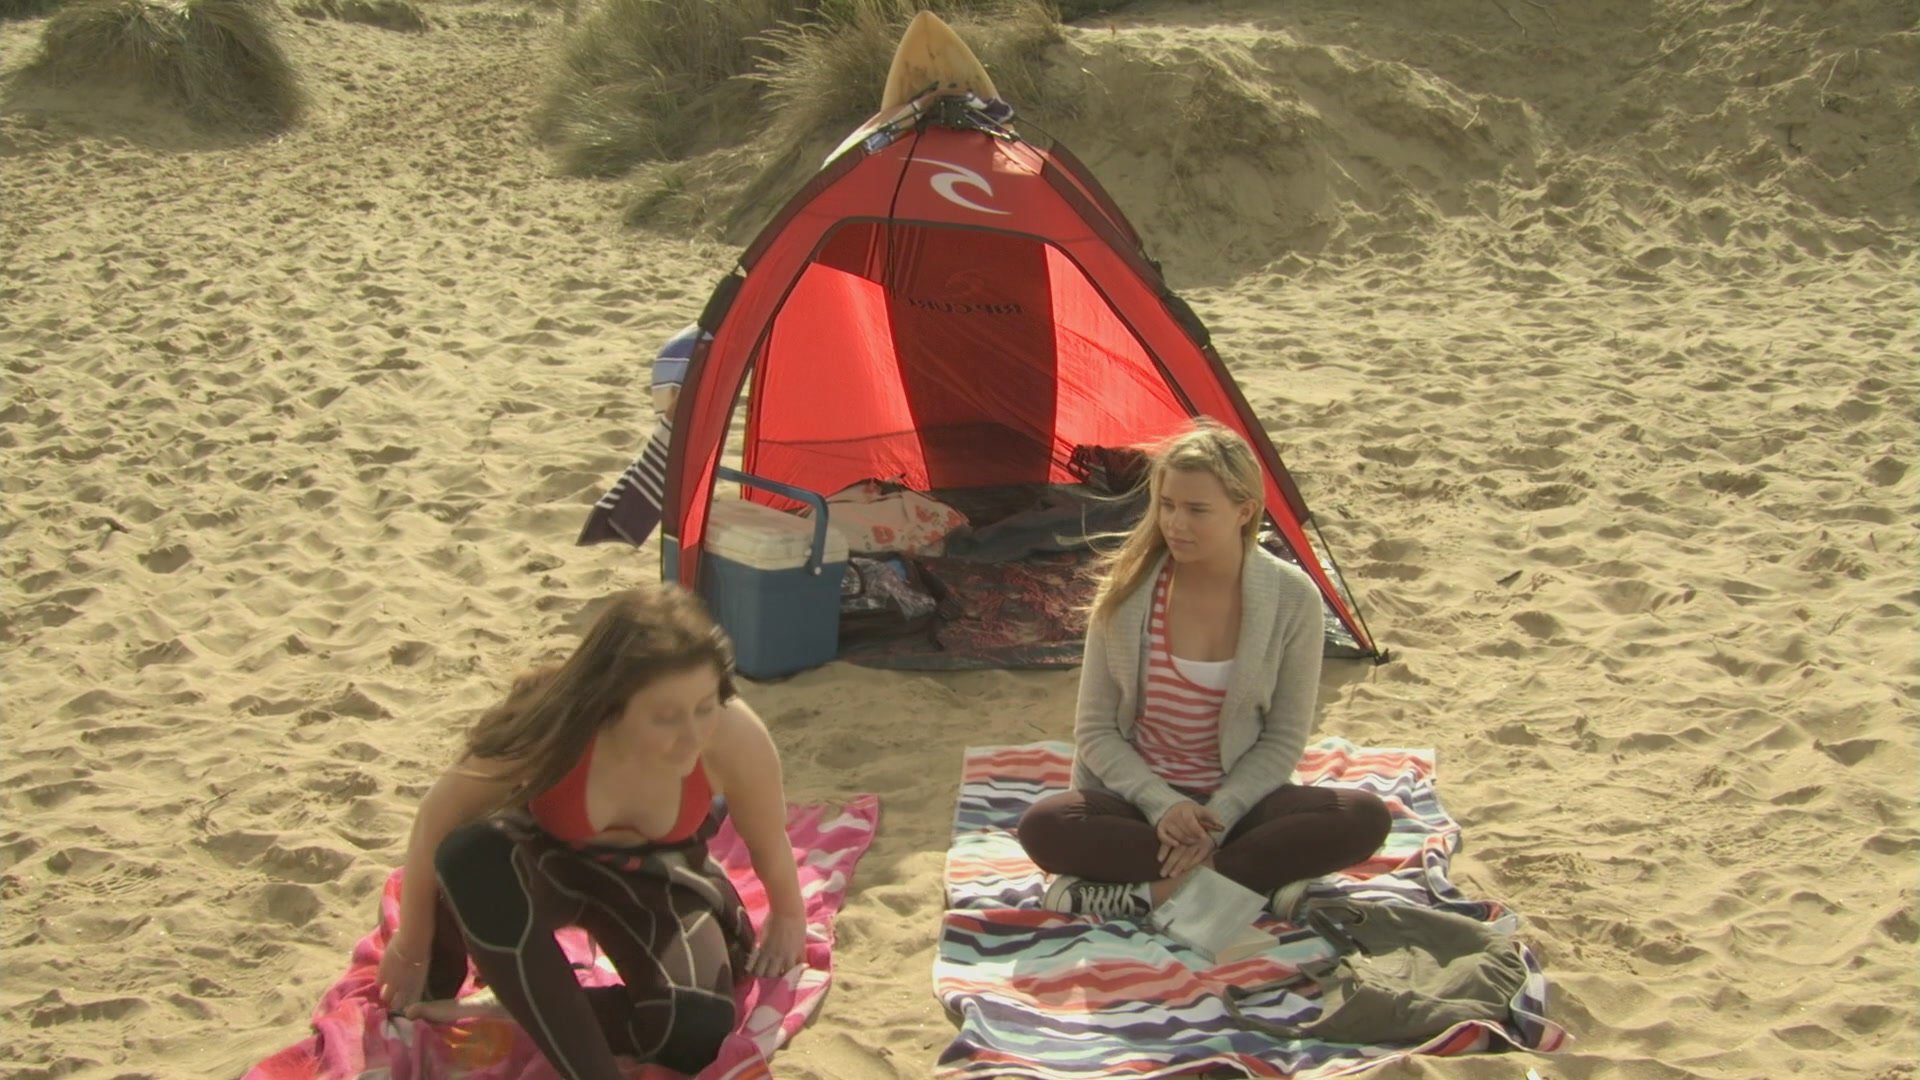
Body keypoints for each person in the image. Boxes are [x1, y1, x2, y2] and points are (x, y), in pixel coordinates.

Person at [373, 586, 807, 1079]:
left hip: (659, 880)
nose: (693, 734)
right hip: (547, 864)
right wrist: (411, 943)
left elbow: (768, 837)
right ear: (610, 705)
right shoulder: (555, 719)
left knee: (694, 1028)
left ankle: (526, 1006)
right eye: (666, 717)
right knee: (470, 856)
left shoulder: (733, 736)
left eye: (705, 706)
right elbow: (439, 814)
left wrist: (788, 912)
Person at [1018, 418, 1392, 921]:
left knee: (1363, 817)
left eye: (1197, 510)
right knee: (1045, 826)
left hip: (1237, 807)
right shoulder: (1127, 593)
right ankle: (1252, 885)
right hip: (1139, 806)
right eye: (1167, 505)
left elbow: (1282, 739)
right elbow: (1095, 730)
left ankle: (1156, 894)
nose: (1175, 524)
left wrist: (1219, 817)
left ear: (1245, 511)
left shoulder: (1292, 598)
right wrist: (1163, 805)